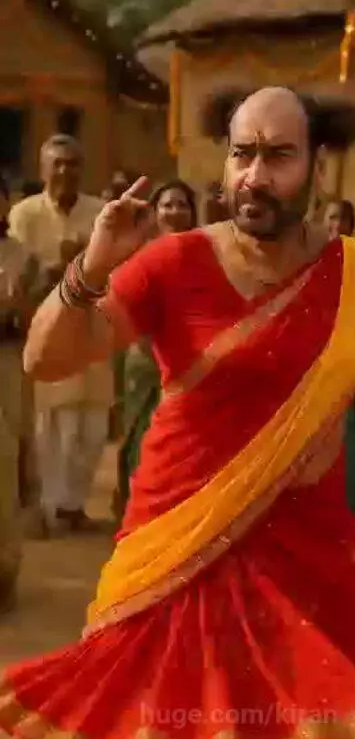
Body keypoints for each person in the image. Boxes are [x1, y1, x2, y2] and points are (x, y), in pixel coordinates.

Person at [0, 87, 355, 739]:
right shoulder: (173, 263)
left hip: (311, 571)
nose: (255, 175)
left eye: (278, 156)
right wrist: (91, 269)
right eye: (242, 154)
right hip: (177, 561)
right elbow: (46, 359)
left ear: (318, 169)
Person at [8, 134, 114, 533]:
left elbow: (115, 265)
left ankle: (74, 505)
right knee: (52, 424)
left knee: (92, 424)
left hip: (92, 330)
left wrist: (87, 266)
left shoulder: (99, 213)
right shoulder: (24, 215)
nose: (66, 171)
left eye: (73, 163)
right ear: (43, 169)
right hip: (46, 332)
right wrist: (63, 269)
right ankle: (52, 507)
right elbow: (18, 273)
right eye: (58, 163)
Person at [117, 180, 198, 515]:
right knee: (141, 439)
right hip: (145, 361)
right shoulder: (139, 256)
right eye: (167, 205)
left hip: (191, 366)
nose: (175, 212)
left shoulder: (206, 255)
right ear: (153, 212)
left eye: (182, 205)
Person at [0, 175, 40, 607]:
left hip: (7, 367)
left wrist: (15, 309)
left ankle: (4, 572)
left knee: (6, 464)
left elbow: (33, 319)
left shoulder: (22, 257)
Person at [324, 198, 355, 516]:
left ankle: (350, 506)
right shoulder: (308, 260)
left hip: (351, 354)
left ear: (352, 224)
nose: (337, 224)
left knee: (350, 428)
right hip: (315, 359)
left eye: (343, 218)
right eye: (332, 217)